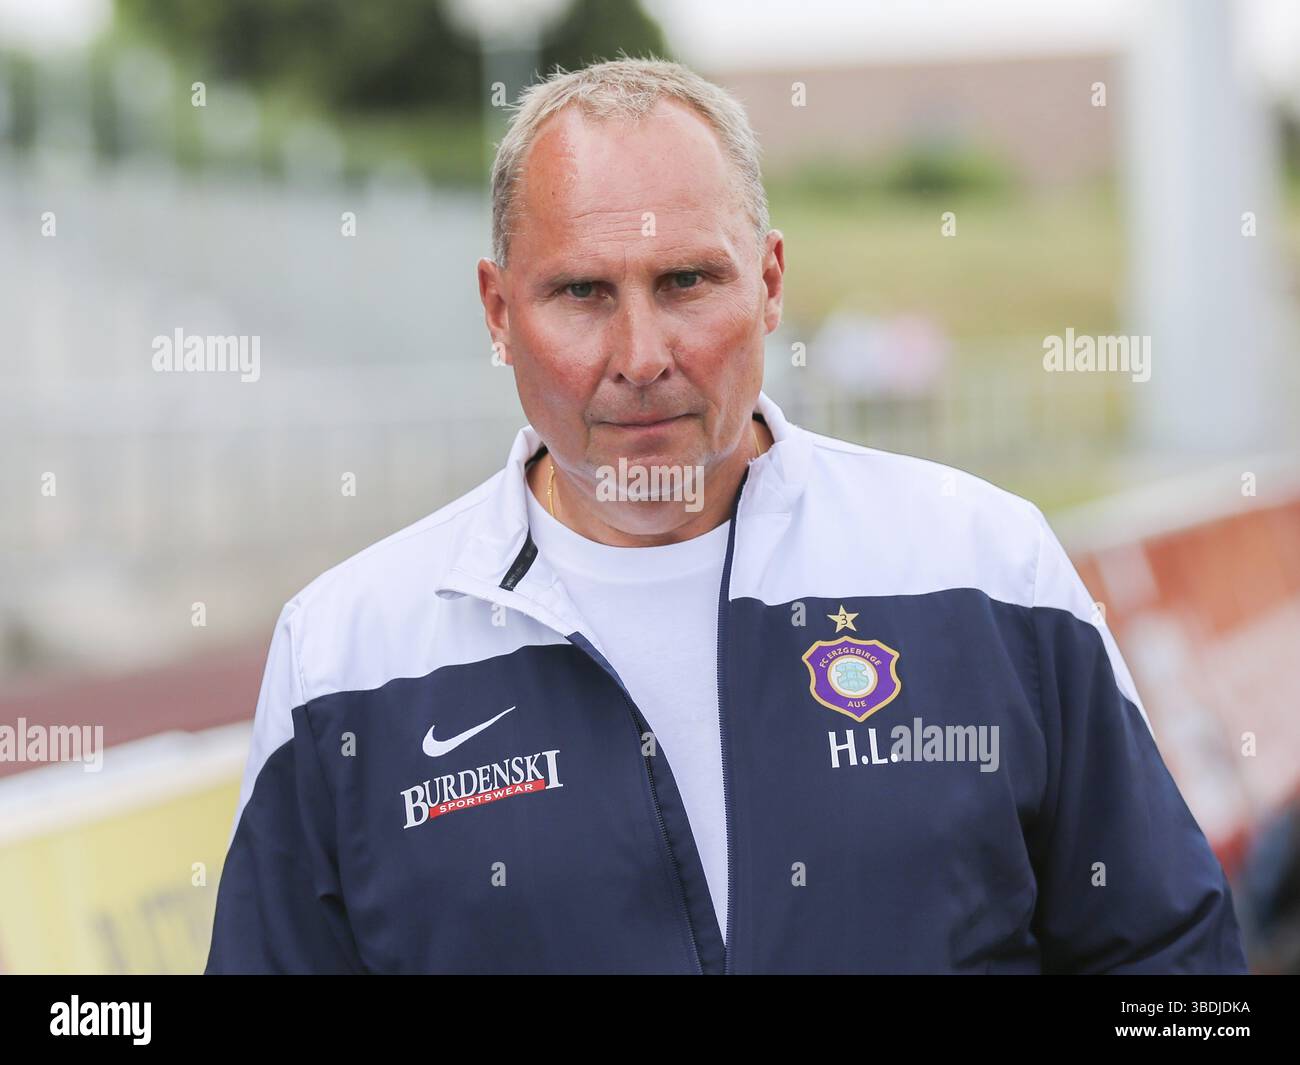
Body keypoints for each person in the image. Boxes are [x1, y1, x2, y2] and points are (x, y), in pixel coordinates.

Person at [205, 57, 1247, 974]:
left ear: (771, 281)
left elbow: (1167, 957)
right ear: (496, 311)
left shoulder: (984, 565)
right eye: (580, 294)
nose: (642, 356)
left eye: (686, 281)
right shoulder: (343, 652)